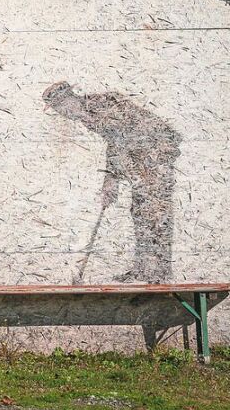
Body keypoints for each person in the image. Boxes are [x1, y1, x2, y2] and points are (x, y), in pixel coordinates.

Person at [42, 81, 180, 283]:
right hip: (140, 155)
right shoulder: (88, 114)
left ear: (68, 101)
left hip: (156, 151)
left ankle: (159, 274)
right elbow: (115, 142)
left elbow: (119, 139)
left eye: (60, 108)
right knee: (140, 211)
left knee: (155, 212)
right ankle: (143, 270)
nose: (62, 114)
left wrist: (111, 179)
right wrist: (111, 178)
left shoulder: (102, 105)